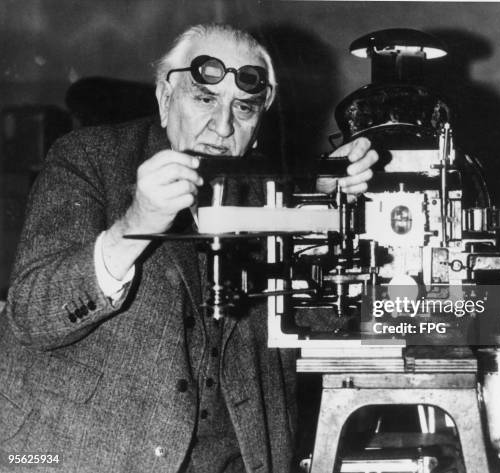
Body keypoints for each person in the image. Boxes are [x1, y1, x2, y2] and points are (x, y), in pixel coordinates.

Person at [0, 23, 378, 473]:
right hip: (80, 454)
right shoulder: (88, 157)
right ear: (165, 97)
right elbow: (31, 315)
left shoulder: (276, 194)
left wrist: (327, 216)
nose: (222, 126)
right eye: (204, 98)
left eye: (244, 108)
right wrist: (133, 226)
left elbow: (323, 324)